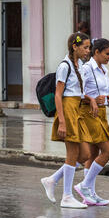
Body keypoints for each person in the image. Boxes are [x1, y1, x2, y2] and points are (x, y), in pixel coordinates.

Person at [41, 32, 97, 209]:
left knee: (86, 154)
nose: (88, 51)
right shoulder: (65, 66)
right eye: (85, 47)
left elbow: (77, 91)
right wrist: (63, 122)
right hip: (68, 110)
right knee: (72, 154)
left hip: (78, 109)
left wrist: (91, 99)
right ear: (75, 46)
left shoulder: (79, 64)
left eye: (89, 47)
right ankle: (66, 196)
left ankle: (52, 179)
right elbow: (59, 95)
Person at [74, 38, 109, 206]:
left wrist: (107, 98)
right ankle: (84, 186)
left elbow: (104, 90)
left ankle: (89, 193)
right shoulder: (86, 69)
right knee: (108, 151)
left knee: (92, 154)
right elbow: (76, 91)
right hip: (91, 114)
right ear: (96, 52)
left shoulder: (103, 69)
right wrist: (92, 99)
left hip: (102, 113)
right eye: (107, 54)